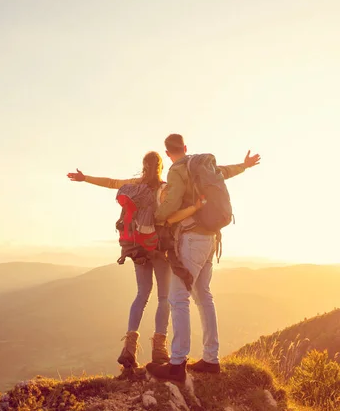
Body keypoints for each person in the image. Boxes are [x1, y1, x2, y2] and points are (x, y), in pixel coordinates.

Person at [67, 151, 201, 370]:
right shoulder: (165, 189)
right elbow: (171, 214)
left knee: (141, 294)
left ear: (143, 166)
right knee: (164, 297)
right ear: (160, 167)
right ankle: (159, 350)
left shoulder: (134, 186)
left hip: (137, 248)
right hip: (158, 248)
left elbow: (111, 183)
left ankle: (129, 348)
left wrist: (85, 178)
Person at [146, 134, 261, 382]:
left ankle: (176, 364)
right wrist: (245, 165)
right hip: (211, 239)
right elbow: (226, 171)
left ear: (167, 153)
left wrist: (157, 215)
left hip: (191, 239)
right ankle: (211, 359)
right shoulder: (201, 168)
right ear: (185, 148)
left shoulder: (178, 170)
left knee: (178, 298)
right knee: (203, 296)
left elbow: (173, 201)